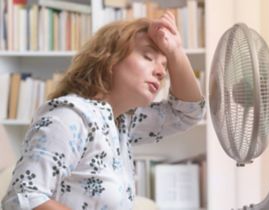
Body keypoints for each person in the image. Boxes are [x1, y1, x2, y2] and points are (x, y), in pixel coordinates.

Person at [1, 11, 205, 210]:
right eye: (148, 56)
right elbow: (23, 199)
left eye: (165, 66)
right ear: (110, 59)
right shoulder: (69, 118)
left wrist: (176, 52)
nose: (160, 72)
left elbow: (187, 113)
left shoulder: (121, 122)